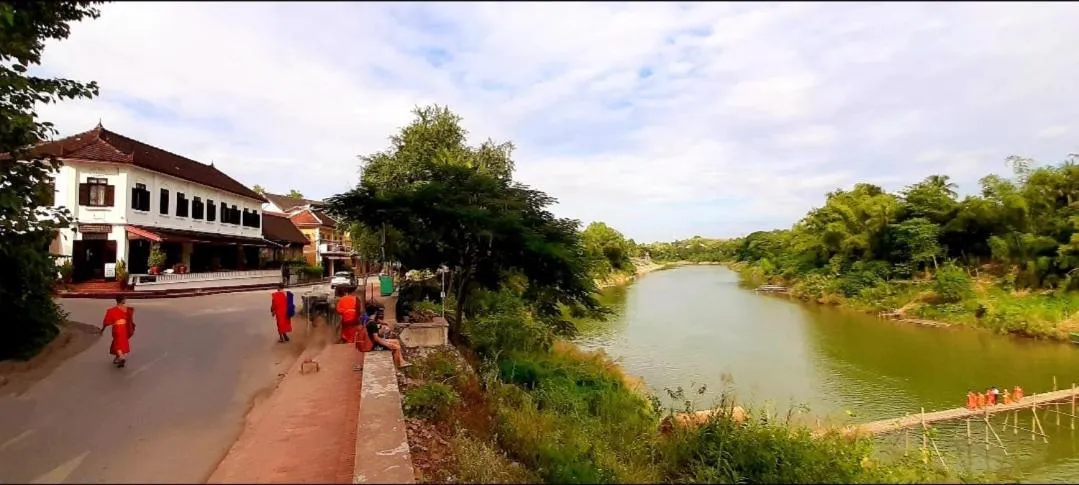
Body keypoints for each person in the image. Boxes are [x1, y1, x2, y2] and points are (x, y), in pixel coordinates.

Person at [100, 296, 134, 368]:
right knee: (120, 343)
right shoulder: (126, 309)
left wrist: (102, 329)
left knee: (117, 343)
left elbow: (106, 322)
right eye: (124, 299)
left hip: (117, 328)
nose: (125, 300)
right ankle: (118, 358)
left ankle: (121, 357)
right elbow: (129, 320)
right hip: (124, 328)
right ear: (121, 300)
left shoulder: (112, 310)